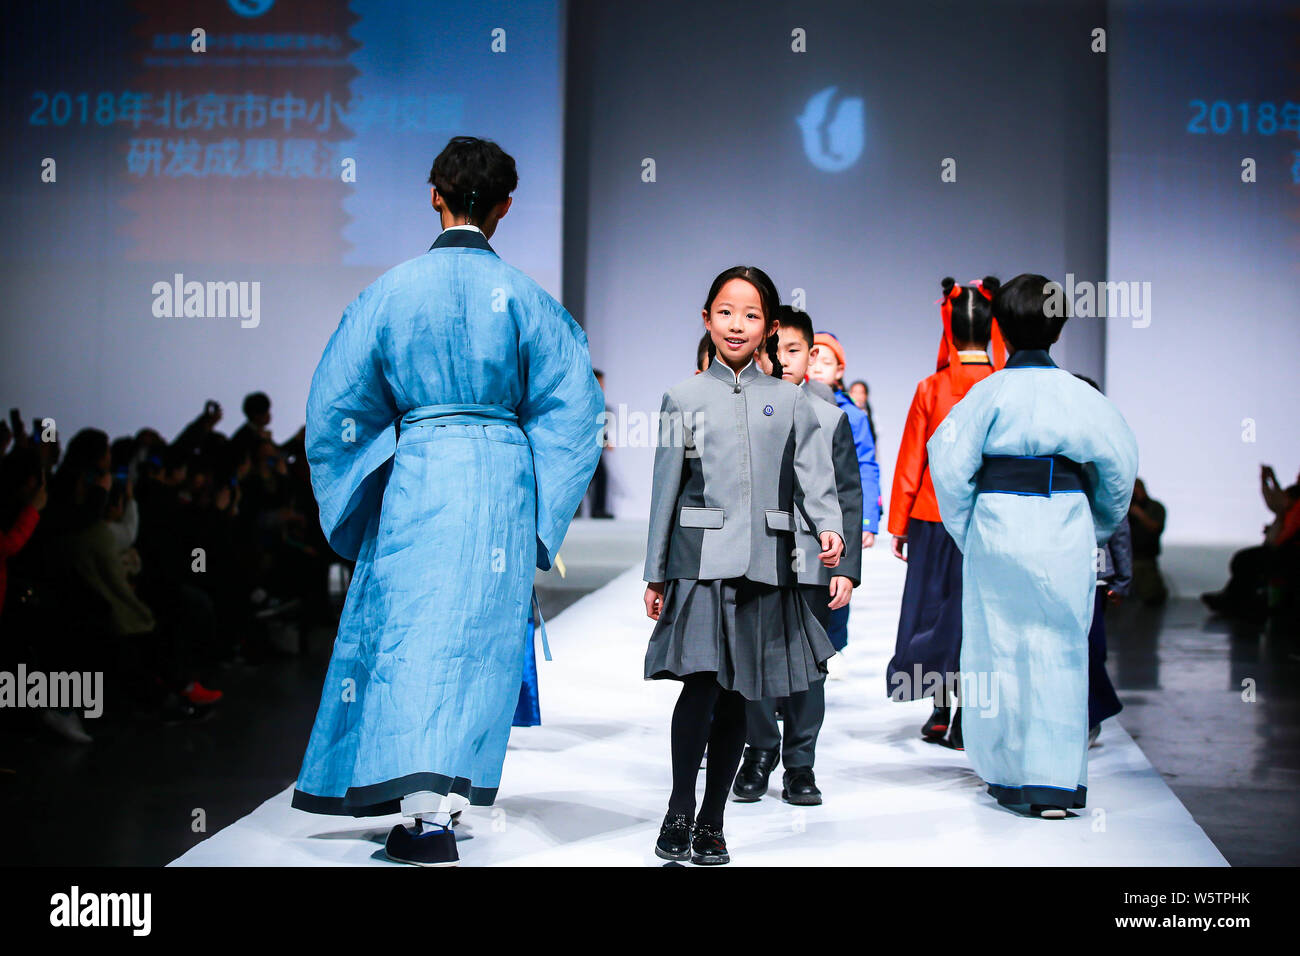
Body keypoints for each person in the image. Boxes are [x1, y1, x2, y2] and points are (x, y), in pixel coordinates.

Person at [291, 136, 604, 867]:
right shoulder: (528, 299)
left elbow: (336, 402)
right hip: (499, 480)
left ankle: (421, 812)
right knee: (472, 642)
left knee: (410, 636)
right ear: (504, 207)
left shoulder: (389, 294)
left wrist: (362, 484)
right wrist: (541, 510)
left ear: (435, 194)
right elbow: (574, 409)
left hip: (420, 473)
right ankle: (441, 806)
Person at [643, 266, 845, 865]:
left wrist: (828, 530)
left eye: (751, 315)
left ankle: (713, 820)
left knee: (737, 694)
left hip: (764, 563)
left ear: (769, 328)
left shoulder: (790, 400)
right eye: (726, 312)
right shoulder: (682, 397)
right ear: (707, 319)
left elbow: (815, 476)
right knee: (699, 689)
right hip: (699, 564)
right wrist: (655, 572)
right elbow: (665, 491)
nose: (737, 324)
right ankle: (680, 806)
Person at [927, 273, 1138, 819]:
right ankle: (1057, 783)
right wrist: (1095, 524)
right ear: (1060, 326)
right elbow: (1119, 468)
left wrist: (968, 527)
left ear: (999, 324)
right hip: (1064, 523)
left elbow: (947, 465)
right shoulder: (1080, 396)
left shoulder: (988, 393)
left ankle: (1009, 775)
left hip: (998, 524)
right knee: (1063, 649)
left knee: (999, 649)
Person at [732, 305, 861, 806]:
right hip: (757, 557)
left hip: (813, 561)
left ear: (811, 354)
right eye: (776, 349)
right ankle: (759, 752)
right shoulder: (742, 411)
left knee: (810, 666)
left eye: (795, 350)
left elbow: (847, 496)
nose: (784, 360)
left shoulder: (831, 419)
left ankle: (800, 764)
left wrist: (845, 568)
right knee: (758, 660)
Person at [887, 277, 1005, 748]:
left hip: (933, 520)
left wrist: (898, 526)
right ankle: (968, 722)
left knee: (934, 615)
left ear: (950, 327)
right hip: (984, 520)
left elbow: (911, 459)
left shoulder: (931, 388)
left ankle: (940, 712)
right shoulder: (1001, 385)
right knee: (977, 617)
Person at [806, 330, 880, 652]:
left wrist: (868, 520)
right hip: (808, 515)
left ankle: (830, 648)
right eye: (815, 357)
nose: (819, 365)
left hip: (841, 511)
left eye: (828, 360)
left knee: (838, 583)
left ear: (840, 370)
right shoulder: (794, 403)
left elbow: (866, 466)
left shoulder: (854, 415)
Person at [1202, 465, 1300, 619]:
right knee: (1245, 561)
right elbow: (1276, 501)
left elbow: (1280, 512)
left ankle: (1237, 601)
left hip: (1285, 554)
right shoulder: (1290, 508)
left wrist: (1269, 480)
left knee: (1246, 561)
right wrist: (1268, 481)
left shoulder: (1295, 508)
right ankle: (1234, 599)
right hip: (1280, 551)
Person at [1128, 478, 1168, 605]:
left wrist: (1139, 514)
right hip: (1123, 557)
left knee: (1152, 595)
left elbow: (1155, 528)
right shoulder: (1122, 507)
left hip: (1144, 558)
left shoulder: (1155, 507)